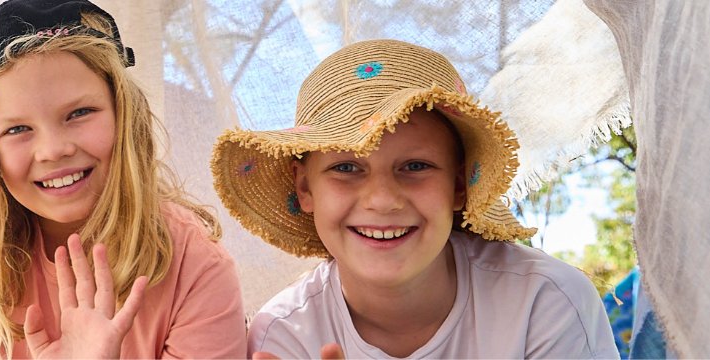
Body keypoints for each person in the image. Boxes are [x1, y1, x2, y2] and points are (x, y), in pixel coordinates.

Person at [209, 39, 618, 359]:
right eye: (347, 168)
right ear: (305, 189)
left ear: (459, 185)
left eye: (416, 166)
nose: (383, 200)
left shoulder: (543, 302)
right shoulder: (284, 335)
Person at [0, 0, 247, 358]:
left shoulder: (195, 265)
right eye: (18, 129)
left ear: (125, 116)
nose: (53, 150)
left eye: (79, 112)